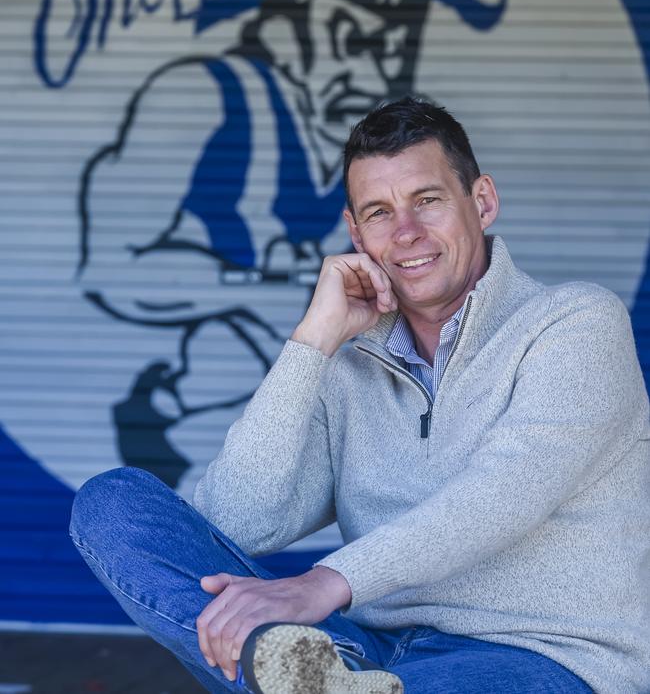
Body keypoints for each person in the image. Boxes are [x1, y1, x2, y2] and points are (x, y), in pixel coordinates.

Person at [70, 97, 650, 694]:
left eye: (427, 200)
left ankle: (318, 680)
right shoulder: (350, 362)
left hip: (539, 657)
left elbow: (501, 495)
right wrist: (311, 342)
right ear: (355, 233)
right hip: (369, 650)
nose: (405, 233)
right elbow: (236, 521)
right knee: (113, 505)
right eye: (378, 212)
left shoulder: (575, 323)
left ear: (482, 202)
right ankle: (318, 676)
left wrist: (320, 585)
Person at [76, 0, 428, 490]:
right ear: (289, 34)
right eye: (355, 41)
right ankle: (167, 408)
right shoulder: (201, 94)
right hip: (210, 415)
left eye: (391, 51)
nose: (375, 75)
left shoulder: (369, 139)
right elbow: (110, 266)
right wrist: (256, 295)